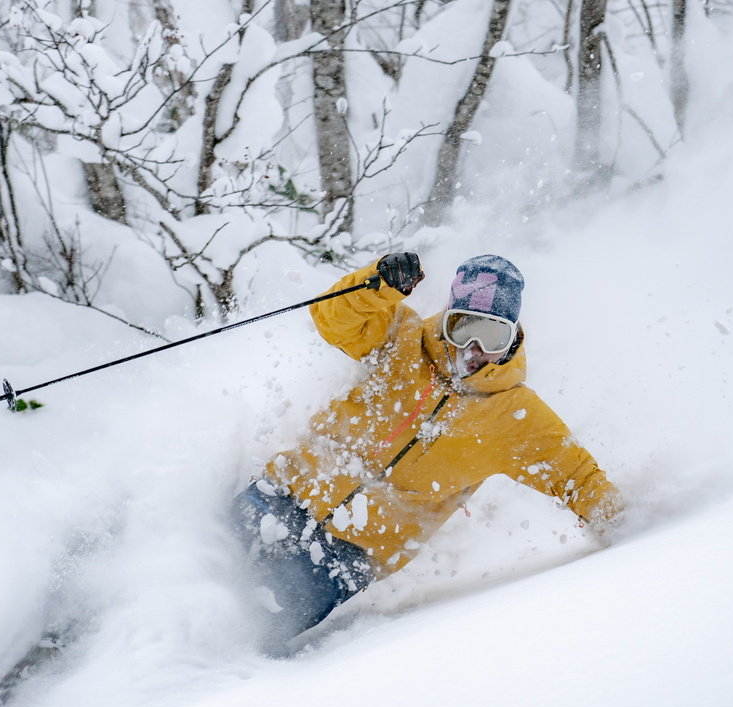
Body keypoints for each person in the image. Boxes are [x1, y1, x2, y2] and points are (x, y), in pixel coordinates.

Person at [232, 252, 621, 654]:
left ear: (513, 337)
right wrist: (377, 283)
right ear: (448, 318)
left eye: (492, 336)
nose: (473, 348)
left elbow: (577, 477)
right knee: (191, 571)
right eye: (463, 327)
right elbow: (331, 318)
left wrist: (630, 528)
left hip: (347, 553)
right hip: (284, 492)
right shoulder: (402, 335)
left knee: (246, 628)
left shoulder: (515, 416)